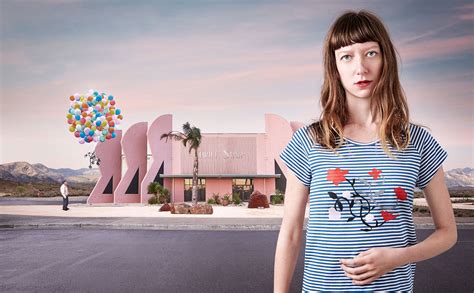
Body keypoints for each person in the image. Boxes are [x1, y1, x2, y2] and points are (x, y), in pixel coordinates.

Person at [274, 10, 457, 292]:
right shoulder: (309, 140)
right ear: (335, 67)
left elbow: (448, 232)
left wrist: (397, 257)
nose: (360, 68)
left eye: (370, 53)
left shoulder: (418, 142)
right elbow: (291, 233)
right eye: (346, 56)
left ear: (386, 59)